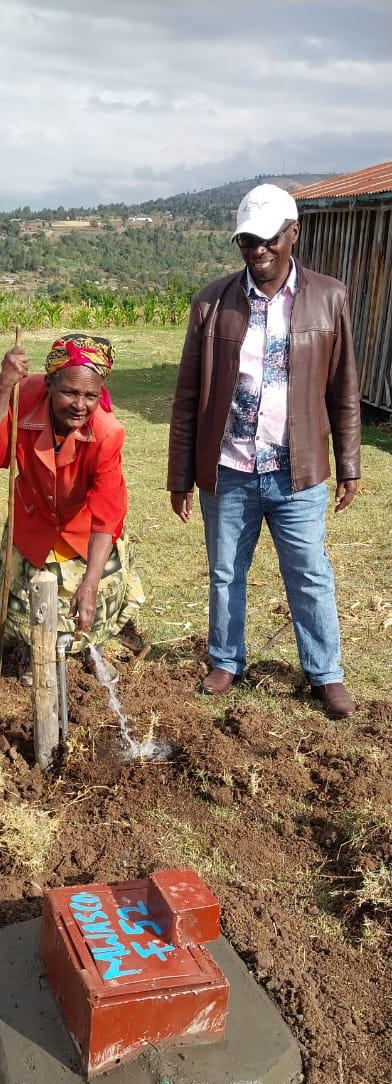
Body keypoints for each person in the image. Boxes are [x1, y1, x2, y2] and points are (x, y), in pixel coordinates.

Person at [168, 183, 361, 719]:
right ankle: (226, 660)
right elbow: (188, 396)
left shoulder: (329, 297)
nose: (258, 250)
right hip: (229, 468)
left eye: (269, 239)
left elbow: (343, 389)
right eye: (247, 241)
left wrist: (349, 464)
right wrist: (180, 475)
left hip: (297, 471)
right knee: (226, 572)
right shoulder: (212, 302)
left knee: (309, 573)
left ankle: (325, 674)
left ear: (293, 233)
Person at [0, 333, 144, 683]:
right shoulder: (23, 397)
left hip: (85, 529)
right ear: (49, 384)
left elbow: (106, 516)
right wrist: (3, 388)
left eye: (90, 395)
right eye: (69, 392)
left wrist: (90, 583)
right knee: (29, 600)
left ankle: (92, 648)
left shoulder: (107, 433)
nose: (80, 405)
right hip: (34, 518)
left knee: (91, 601)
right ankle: (32, 650)